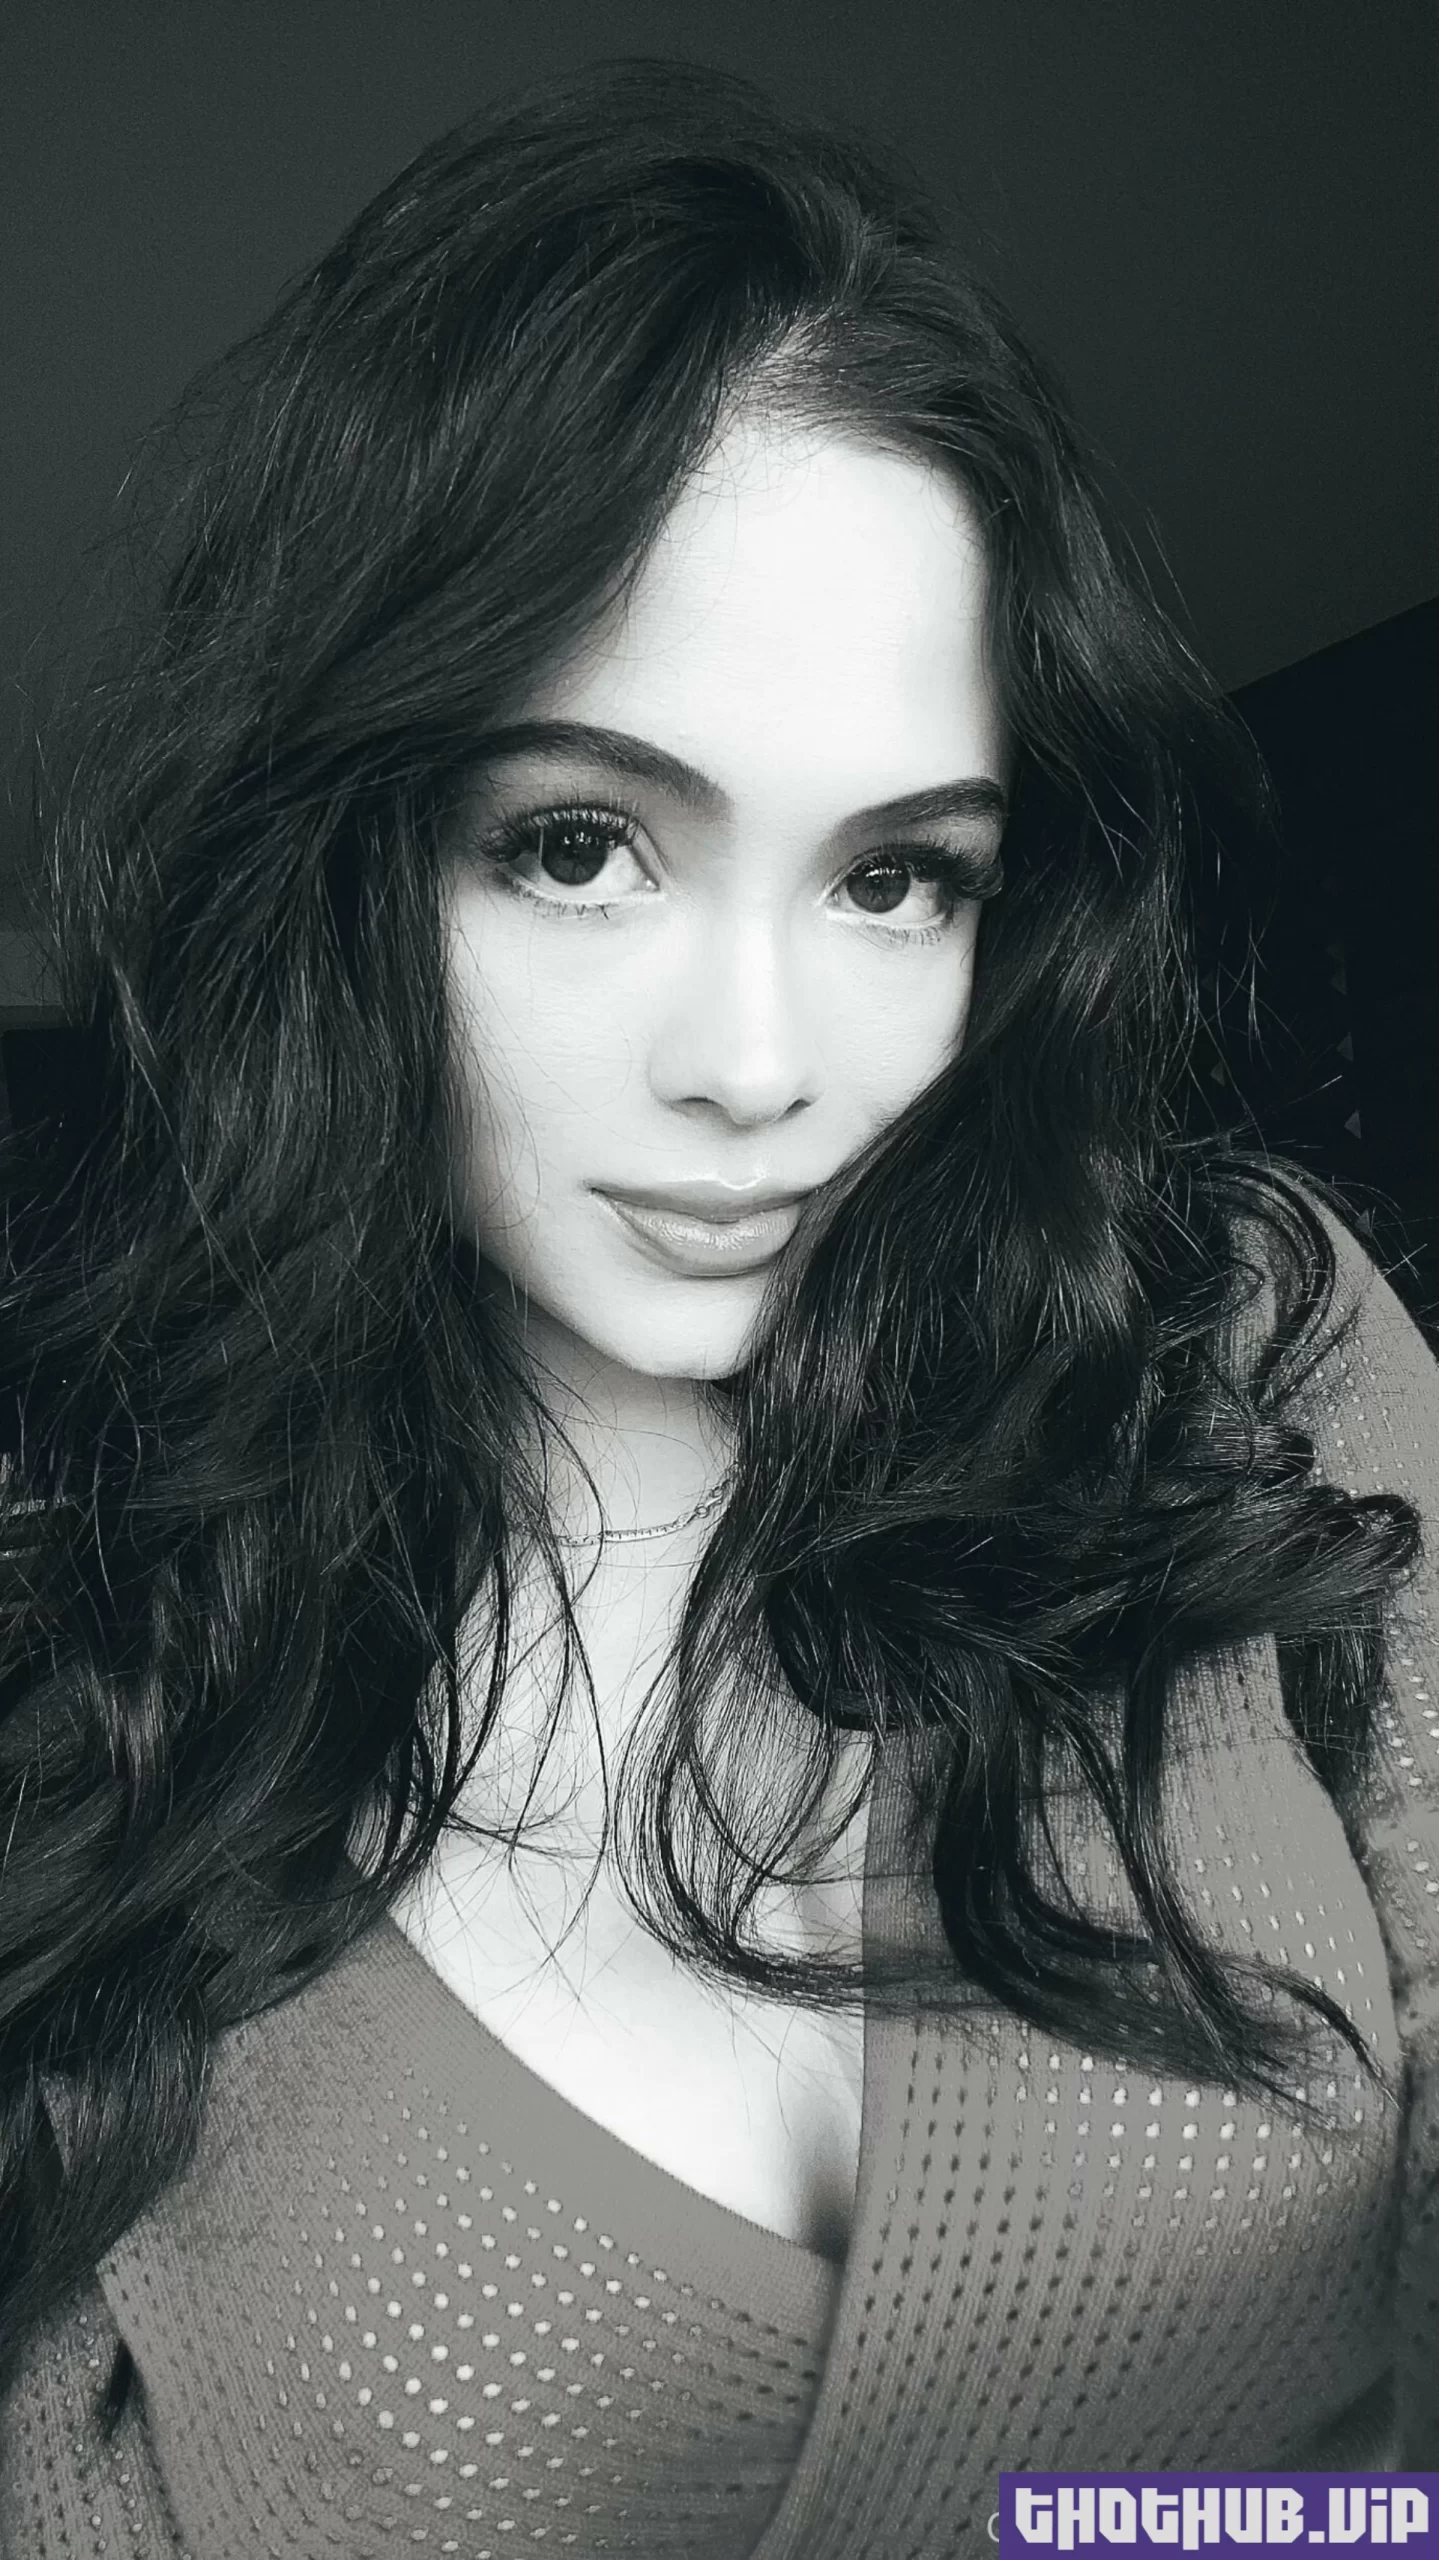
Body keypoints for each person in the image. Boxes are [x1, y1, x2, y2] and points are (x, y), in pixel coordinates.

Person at [0, 56, 1434, 2558]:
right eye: (581, 845)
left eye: (893, 878)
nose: (761, 1067)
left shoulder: (1232, 1348)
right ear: (343, 868)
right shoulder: (86, 1684)